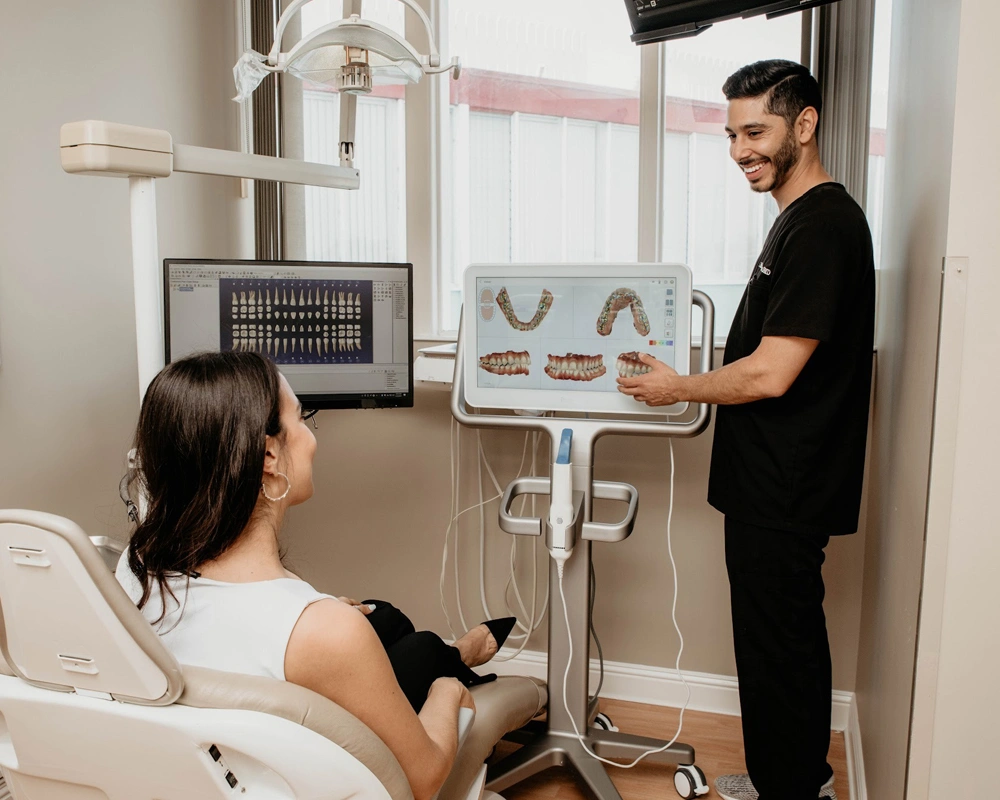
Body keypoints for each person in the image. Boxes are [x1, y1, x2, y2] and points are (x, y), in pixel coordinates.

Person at [617, 60, 874, 800]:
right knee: (776, 641)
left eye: (755, 131)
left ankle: (793, 788)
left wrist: (677, 389)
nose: (739, 149)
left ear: (805, 123)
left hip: (787, 485)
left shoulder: (824, 225)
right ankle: (790, 778)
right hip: (773, 479)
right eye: (732, 134)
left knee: (780, 644)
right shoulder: (798, 220)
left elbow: (772, 372)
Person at [115, 351, 516, 800]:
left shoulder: (135, 572)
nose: (311, 438)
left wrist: (321, 615)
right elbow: (424, 781)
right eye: (302, 418)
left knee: (382, 617)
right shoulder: (324, 633)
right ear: (269, 454)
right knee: (424, 656)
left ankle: (447, 649)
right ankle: (455, 657)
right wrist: (449, 691)